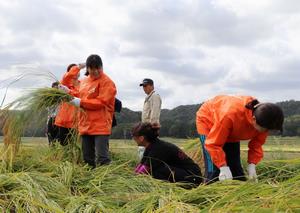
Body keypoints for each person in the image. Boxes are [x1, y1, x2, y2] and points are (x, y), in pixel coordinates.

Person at [196, 95, 284, 183]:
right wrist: (223, 167)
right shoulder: (230, 116)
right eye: (265, 130)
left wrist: (252, 164)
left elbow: (257, 144)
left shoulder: (265, 121)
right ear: (254, 119)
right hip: (208, 121)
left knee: (236, 171)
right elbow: (213, 144)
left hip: (233, 128)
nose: (266, 133)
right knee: (215, 171)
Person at [68, 54, 116, 168]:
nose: (95, 71)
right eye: (91, 68)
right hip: (85, 125)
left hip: (100, 126)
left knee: (102, 158)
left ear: (102, 67)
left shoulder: (107, 82)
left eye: (97, 68)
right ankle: (90, 181)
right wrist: (67, 92)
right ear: (87, 69)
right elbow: (80, 95)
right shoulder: (84, 81)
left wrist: (80, 103)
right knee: (87, 157)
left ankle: (106, 182)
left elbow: (101, 102)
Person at [132, 122, 202, 186]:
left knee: (155, 171)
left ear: (141, 138)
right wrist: (132, 176)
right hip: (184, 174)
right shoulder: (151, 146)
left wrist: (132, 182)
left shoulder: (158, 148)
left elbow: (144, 171)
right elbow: (141, 165)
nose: (133, 139)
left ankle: (175, 188)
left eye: (134, 136)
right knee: (154, 169)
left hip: (193, 177)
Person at [55, 63, 85, 146]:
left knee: (77, 146)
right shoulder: (64, 84)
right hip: (65, 120)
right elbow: (66, 77)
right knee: (64, 145)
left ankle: (76, 159)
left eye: (77, 70)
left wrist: (70, 92)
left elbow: (83, 95)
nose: (76, 72)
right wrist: (78, 67)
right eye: (73, 70)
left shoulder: (83, 83)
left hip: (78, 120)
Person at [138, 78, 162, 159]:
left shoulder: (155, 96)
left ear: (152, 86)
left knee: (151, 150)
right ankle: (145, 167)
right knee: (146, 150)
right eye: (143, 86)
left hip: (150, 129)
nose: (144, 88)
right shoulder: (149, 97)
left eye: (146, 86)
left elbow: (154, 114)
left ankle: (149, 167)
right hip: (146, 128)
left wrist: (151, 129)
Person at [46, 81, 59, 145]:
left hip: (59, 120)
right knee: (50, 135)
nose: (55, 90)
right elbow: (48, 108)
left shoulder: (62, 98)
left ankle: (57, 151)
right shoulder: (49, 98)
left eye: (57, 89)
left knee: (58, 138)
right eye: (54, 89)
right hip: (51, 119)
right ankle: (52, 151)